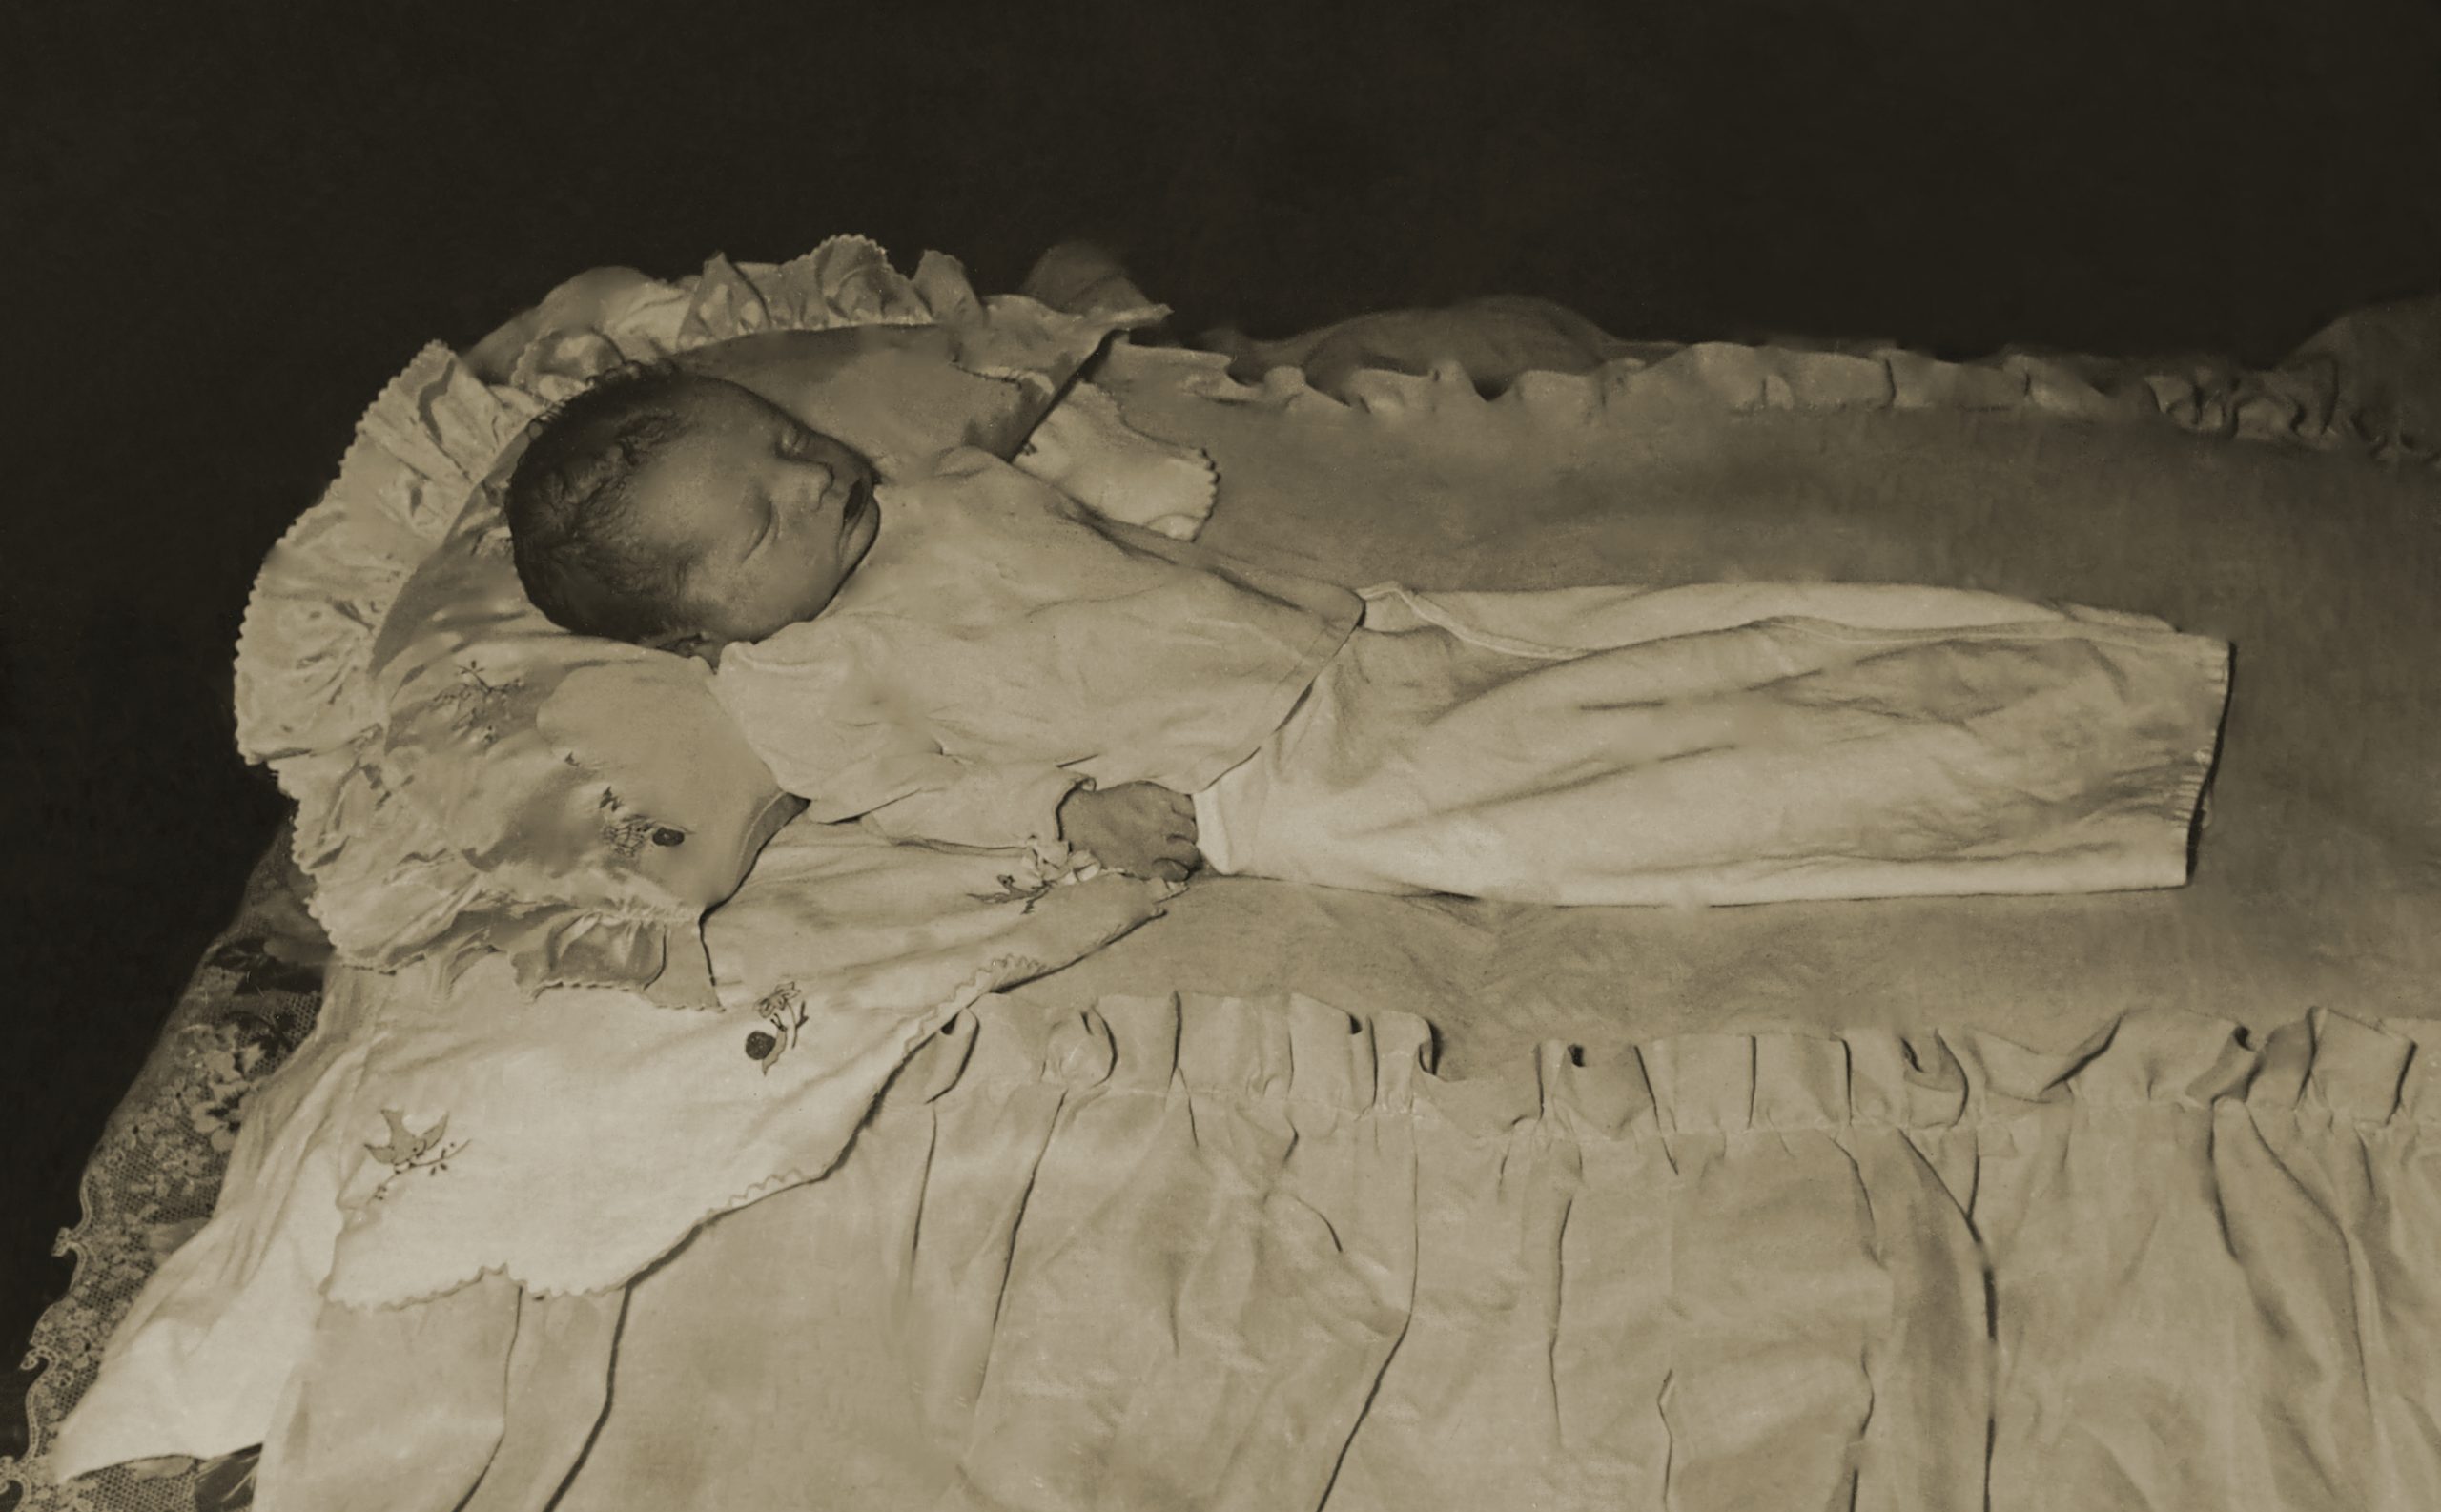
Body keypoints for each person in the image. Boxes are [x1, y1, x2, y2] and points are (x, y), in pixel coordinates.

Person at [506, 357, 2232, 908]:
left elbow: (1066, 502)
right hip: (1263, 775)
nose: (812, 481)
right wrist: (1065, 812)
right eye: (761, 522)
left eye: (785, 441)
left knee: (1687, 644)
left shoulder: (931, 488)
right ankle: (2045, 787)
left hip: (1339, 638)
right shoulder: (803, 679)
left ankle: (2089, 683)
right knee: (1627, 805)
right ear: (697, 628)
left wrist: (1141, 479)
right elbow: (910, 792)